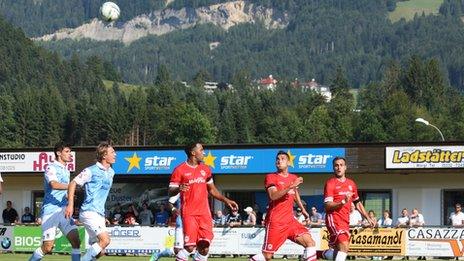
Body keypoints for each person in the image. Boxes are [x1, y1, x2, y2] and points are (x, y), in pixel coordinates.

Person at [169, 142, 238, 261]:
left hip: (204, 214)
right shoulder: (179, 170)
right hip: (189, 213)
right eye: (201, 150)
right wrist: (178, 188)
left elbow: (212, 190)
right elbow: (170, 191)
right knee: (190, 247)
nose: (204, 153)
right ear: (193, 152)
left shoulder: (206, 169)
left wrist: (226, 200)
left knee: (204, 247)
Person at [250, 151, 316, 261]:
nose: (279, 161)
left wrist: (303, 210)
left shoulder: (292, 177)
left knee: (310, 243)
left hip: (290, 221)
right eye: (277, 159)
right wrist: (290, 187)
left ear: (288, 162)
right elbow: (273, 196)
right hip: (276, 221)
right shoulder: (271, 177)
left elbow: (295, 194)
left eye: (282, 158)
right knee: (267, 256)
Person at [65, 141, 116, 261]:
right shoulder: (91, 170)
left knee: (100, 251)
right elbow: (73, 183)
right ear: (104, 155)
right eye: (112, 152)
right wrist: (70, 205)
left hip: (99, 214)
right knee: (105, 240)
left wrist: (102, 215)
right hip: (89, 212)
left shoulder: (111, 172)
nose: (115, 154)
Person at [29, 143, 81, 261]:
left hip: (63, 210)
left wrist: (69, 197)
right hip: (51, 210)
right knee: (47, 247)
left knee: (76, 241)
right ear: (58, 153)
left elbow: (64, 191)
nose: (70, 154)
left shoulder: (66, 171)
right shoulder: (50, 167)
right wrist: (71, 186)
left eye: (70, 152)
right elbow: (54, 184)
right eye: (67, 151)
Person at [321, 156, 375, 261]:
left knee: (338, 250)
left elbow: (357, 203)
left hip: (345, 220)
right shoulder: (330, 183)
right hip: (334, 219)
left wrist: (368, 218)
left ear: (345, 167)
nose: (339, 167)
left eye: (341, 165)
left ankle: (322, 254)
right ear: (333, 168)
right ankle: (323, 254)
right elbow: (327, 206)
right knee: (344, 247)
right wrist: (342, 202)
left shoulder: (351, 184)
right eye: (336, 165)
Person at [150, 193, 184, 261]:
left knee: (190, 248)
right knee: (175, 251)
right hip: (180, 223)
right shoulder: (180, 192)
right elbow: (170, 202)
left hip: (191, 221)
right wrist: (174, 209)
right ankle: (157, 255)